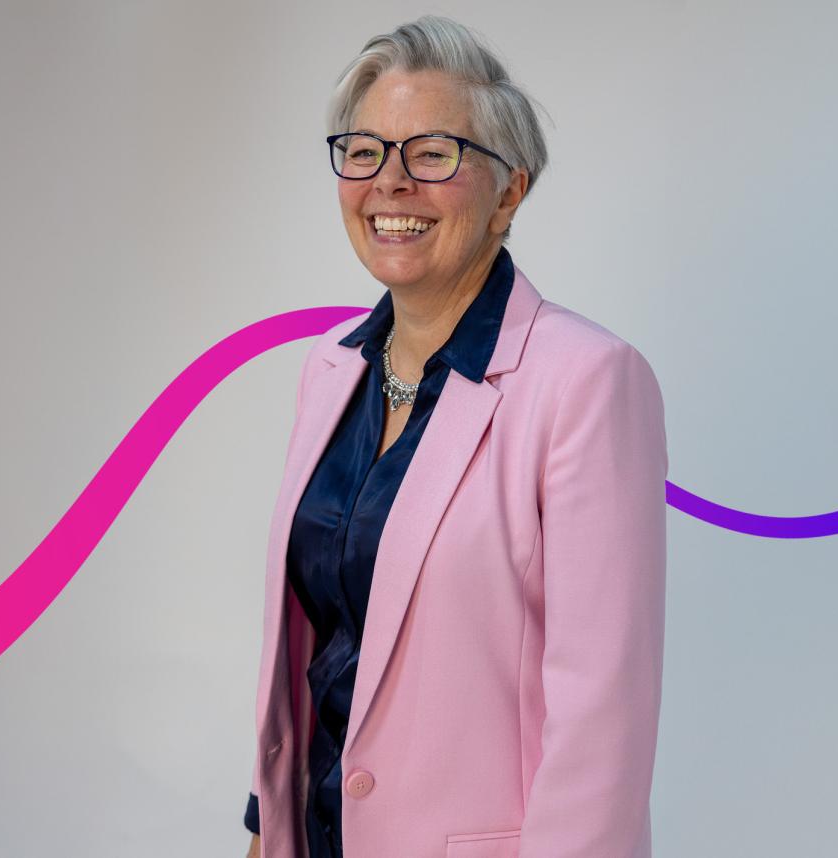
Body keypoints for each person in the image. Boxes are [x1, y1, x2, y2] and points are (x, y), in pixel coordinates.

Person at [243, 15, 667, 858]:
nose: (391, 183)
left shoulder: (587, 382)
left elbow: (602, 725)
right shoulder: (330, 370)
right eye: (365, 151)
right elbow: (319, 652)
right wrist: (267, 828)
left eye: (433, 154)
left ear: (509, 192)